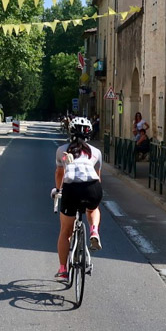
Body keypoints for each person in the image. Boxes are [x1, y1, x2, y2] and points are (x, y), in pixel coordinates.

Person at [51, 116, 103, 280]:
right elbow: (98, 177)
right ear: (89, 134)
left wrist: (58, 190)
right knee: (93, 208)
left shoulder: (62, 151)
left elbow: (60, 173)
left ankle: (63, 269)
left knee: (65, 231)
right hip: (92, 187)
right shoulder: (96, 152)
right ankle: (94, 230)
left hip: (71, 189)